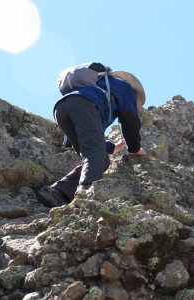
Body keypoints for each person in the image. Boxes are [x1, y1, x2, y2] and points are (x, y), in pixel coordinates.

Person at [37, 67, 146, 208]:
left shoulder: (96, 88)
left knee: (102, 160)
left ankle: (58, 191)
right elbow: (130, 120)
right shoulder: (125, 87)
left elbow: (91, 138)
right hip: (84, 105)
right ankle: (85, 193)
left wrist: (112, 147)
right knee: (96, 154)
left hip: (61, 109)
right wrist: (135, 148)